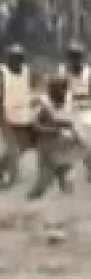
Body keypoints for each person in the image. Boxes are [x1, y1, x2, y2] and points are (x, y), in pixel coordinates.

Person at [0, 43, 34, 185]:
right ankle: (14, 179)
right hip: (5, 115)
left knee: (26, 144)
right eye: (15, 58)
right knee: (14, 147)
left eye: (20, 58)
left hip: (23, 114)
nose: (18, 61)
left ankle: (0, 166)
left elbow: (29, 89)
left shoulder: (26, 71)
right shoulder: (1, 72)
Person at [27, 75, 83, 200]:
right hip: (48, 151)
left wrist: (77, 139)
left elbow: (72, 126)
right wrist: (52, 131)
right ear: (52, 90)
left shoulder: (66, 104)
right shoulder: (44, 106)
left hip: (63, 150)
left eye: (64, 89)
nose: (63, 92)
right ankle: (24, 207)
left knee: (68, 183)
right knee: (43, 184)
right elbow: (35, 126)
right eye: (60, 89)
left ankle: (66, 212)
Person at [57, 39, 91, 183]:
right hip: (69, 112)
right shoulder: (62, 71)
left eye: (77, 56)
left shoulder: (88, 73)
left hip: (86, 112)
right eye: (72, 56)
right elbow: (56, 92)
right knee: (68, 143)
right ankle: (64, 173)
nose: (75, 59)